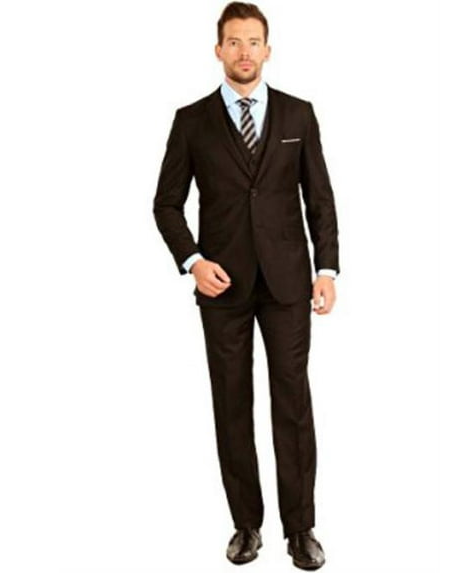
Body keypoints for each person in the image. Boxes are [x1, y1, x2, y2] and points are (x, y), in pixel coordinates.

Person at [153, 2, 340, 569]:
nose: (243, 51)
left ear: (267, 50)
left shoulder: (298, 114)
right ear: (218, 50)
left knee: (293, 403)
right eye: (233, 42)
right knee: (231, 404)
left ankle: (300, 528)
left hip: (288, 284)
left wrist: (327, 269)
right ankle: (245, 525)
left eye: (253, 42)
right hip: (222, 288)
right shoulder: (191, 121)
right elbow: (166, 204)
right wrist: (193, 261)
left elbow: (319, 198)